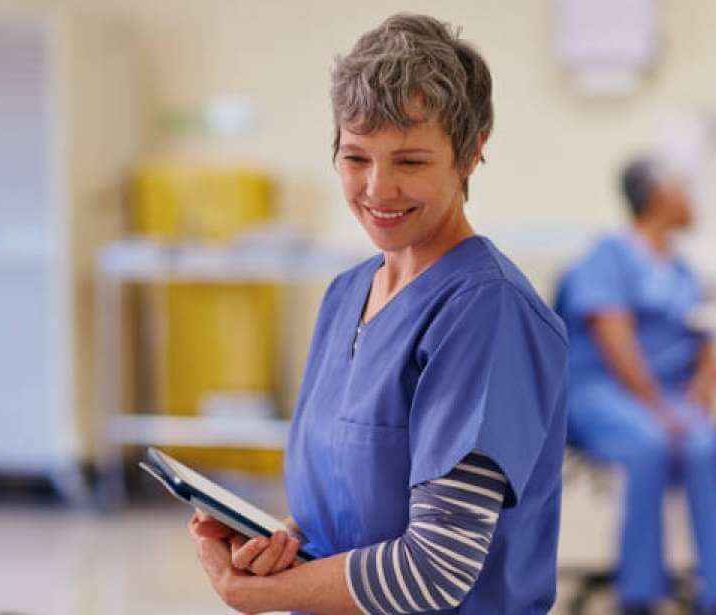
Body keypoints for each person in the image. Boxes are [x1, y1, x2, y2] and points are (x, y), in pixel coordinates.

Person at [186, 13, 569, 615]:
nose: (377, 189)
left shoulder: (486, 312)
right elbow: (346, 509)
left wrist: (259, 592)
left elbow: (436, 569)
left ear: (471, 152)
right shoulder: (347, 295)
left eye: (410, 162)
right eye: (356, 158)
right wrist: (276, 543)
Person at [554, 156, 716, 615]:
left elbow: (704, 335)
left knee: (704, 441)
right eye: (683, 187)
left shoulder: (681, 270)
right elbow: (615, 341)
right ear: (659, 196)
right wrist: (658, 407)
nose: (692, 197)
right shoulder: (608, 257)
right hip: (601, 392)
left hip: (668, 396)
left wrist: (703, 385)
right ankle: (638, 594)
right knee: (649, 442)